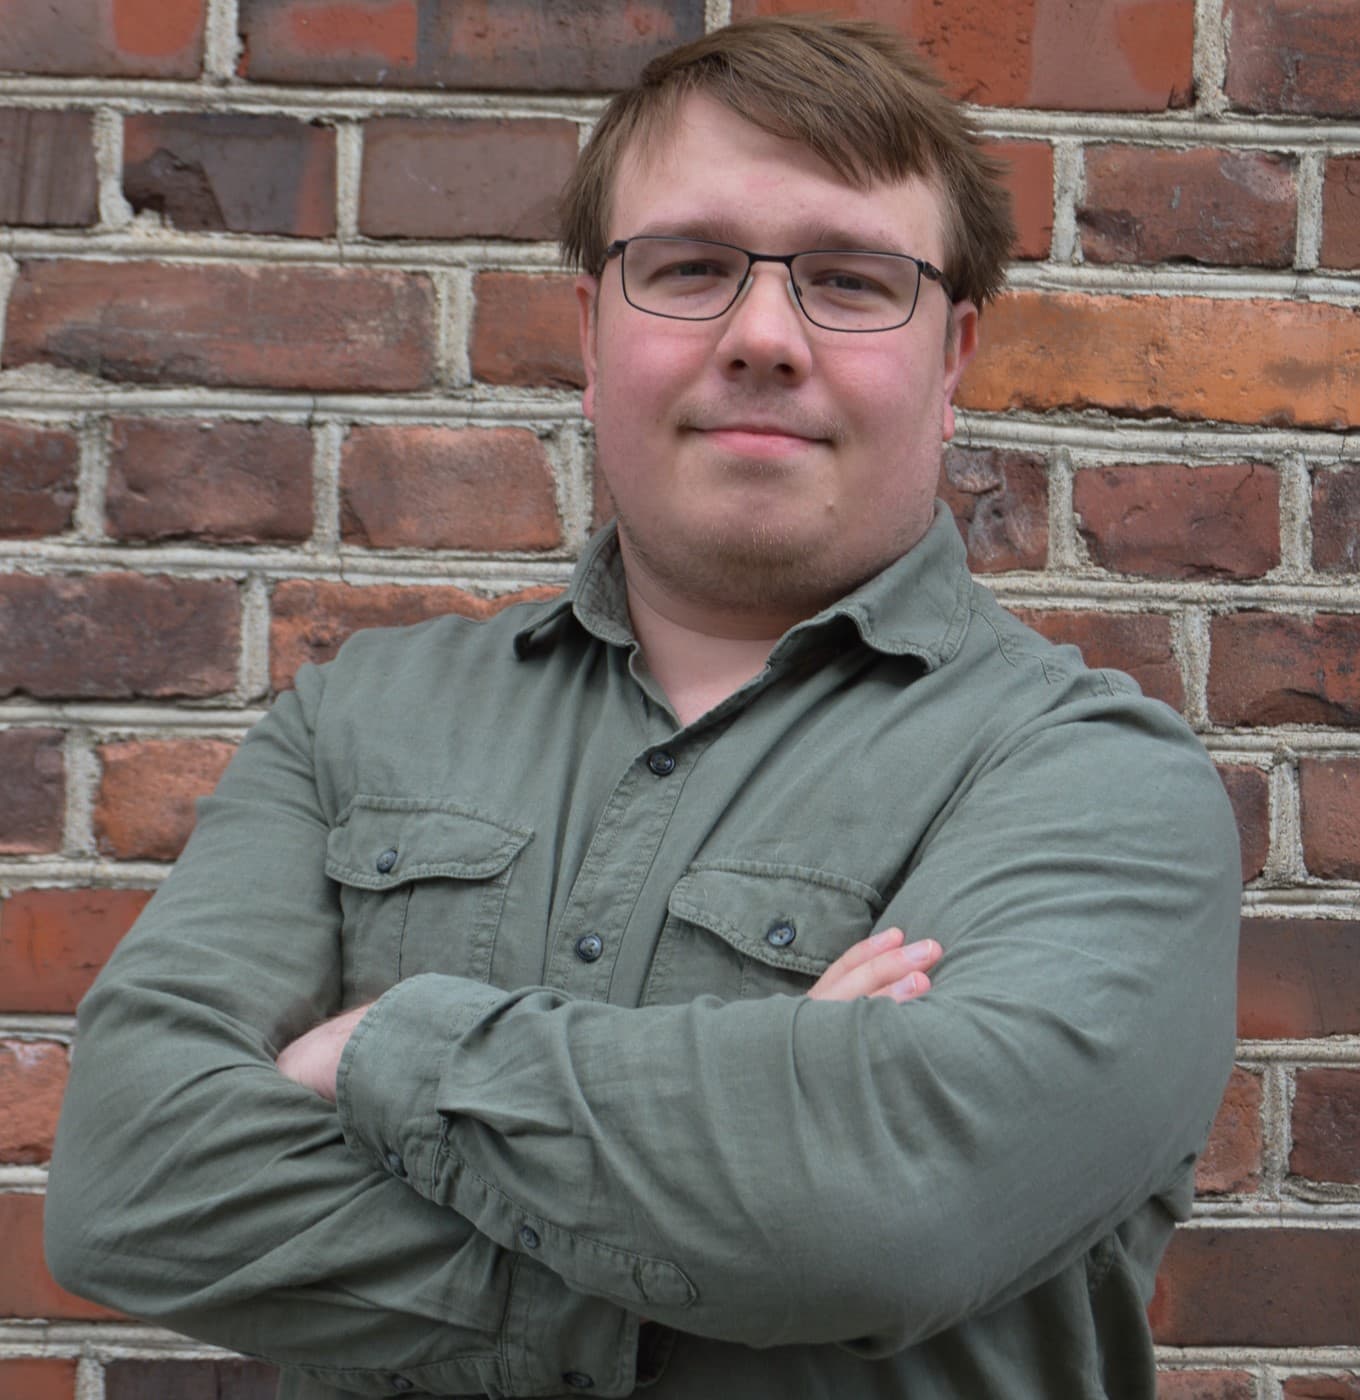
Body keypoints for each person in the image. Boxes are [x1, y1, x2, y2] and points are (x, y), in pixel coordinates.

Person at [46, 16, 1240, 1400]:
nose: (764, 337)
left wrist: (384, 1052)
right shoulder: (359, 722)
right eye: (690, 269)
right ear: (592, 330)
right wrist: (758, 1154)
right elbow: (131, 1179)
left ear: (953, 355)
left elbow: (884, 1216)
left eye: (851, 281)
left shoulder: (1091, 780)